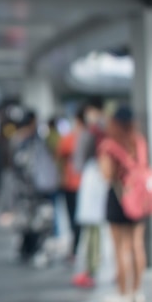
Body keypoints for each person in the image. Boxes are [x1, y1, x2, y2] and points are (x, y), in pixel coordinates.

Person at [97, 106, 148, 302]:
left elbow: (107, 175)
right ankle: (137, 292)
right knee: (137, 245)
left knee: (120, 248)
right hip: (139, 199)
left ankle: (122, 294)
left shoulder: (109, 145)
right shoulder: (139, 141)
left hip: (118, 198)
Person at [10, 110, 60, 267]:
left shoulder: (15, 140)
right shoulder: (32, 141)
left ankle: (26, 250)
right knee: (39, 223)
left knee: (27, 222)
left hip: (22, 190)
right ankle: (36, 251)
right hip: (35, 189)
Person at [72, 97, 107, 289]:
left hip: (94, 181)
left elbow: (78, 162)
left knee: (93, 228)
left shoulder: (91, 132)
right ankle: (93, 267)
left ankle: (92, 268)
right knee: (96, 228)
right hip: (102, 180)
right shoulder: (106, 130)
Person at [57, 109, 85, 261]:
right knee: (85, 219)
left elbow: (59, 156)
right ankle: (79, 249)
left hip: (71, 184)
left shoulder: (69, 138)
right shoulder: (90, 137)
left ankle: (74, 249)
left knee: (73, 218)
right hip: (85, 186)